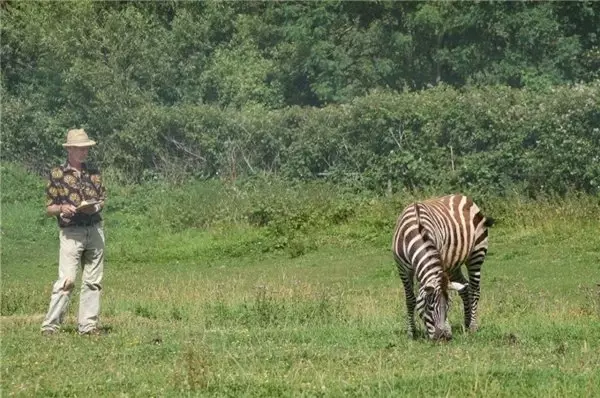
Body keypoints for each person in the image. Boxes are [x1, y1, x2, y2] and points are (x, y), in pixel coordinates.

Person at [41, 128, 106, 336]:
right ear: (69, 150)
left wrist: (94, 206)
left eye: (86, 149)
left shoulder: (94, 173)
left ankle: (87, 326)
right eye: (80, 149)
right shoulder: (57, 174)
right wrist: (62, 208)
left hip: (94, 229)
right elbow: (49, 207)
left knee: (93, 281)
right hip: (71, 232)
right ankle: (50, 326)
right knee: (67, 280)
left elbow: (102, 198)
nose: (84, 152)